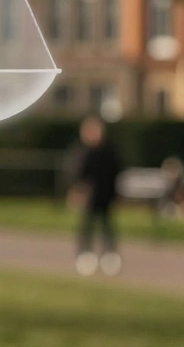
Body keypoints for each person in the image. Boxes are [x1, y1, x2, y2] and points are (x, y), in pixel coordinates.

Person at [71, 116, 123, 276]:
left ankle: (110, 256)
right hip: (90, 198)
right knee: (87, 227)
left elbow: (116, 171)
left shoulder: (109, 151)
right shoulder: (82, 152)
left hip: (106, 195)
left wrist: (114, 193)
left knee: (107, 226)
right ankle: (85, 255)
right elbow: (77, 175)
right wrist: (78, 192)